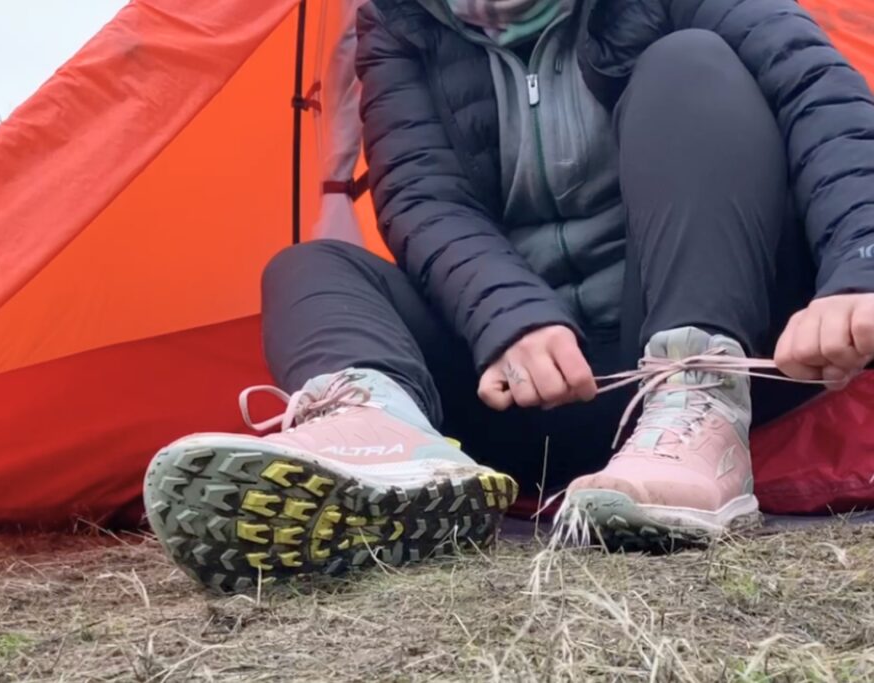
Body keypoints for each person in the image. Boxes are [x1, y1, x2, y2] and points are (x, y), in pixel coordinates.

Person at [143, 0, 874, 592]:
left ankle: (698, 414)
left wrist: (858, 270)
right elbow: (423, 196)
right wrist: (509, 318)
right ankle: (386, 449)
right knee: (308, 268)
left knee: (692, 65)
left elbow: (817, 92)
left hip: (727, 346)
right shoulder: (400, 22)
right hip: (528, 394)